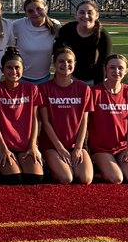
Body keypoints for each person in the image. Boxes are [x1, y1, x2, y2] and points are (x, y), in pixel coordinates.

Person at [0, 48, 45, 185]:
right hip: (2, 145)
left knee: (34, 179)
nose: (13, 71)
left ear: (23, 69)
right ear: (2, 70)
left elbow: (36, 119)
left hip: (25, 146)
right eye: (9, 68)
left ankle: (19, 161)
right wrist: (3, 149)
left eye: (17, 67)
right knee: (13, 179)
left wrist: (33, 146)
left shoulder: (31, 89)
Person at [39, 47, 94, 185]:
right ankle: (49, 166)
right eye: (61, 61)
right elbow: (45, 123)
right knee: (66, 178)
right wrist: (60, 149)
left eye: (69, 61)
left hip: (76, 144)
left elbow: (84, 121)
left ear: (75, 64)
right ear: (54, 64)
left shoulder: (83, 89)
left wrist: (78, 148)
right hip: (52, 145)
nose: (65, 65)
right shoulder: (44, 88)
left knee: (85, 179)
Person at [88, 54, 128, 184]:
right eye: (112, 67)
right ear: (105, 70)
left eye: (120, 68)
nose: (116, 71)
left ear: (126, 71)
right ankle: (99, 163)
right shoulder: (95, 92)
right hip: (101, 148)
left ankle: (113, 162)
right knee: (116, 178)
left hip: (122, 148)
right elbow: (85, 122)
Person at [56, 0, 111, 86]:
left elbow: (103, 64)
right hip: (69, 77)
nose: (85, 16)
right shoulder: (67, 29)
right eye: (82, 12)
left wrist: (98, 87)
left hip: (92, 80)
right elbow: (58, 55)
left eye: (90, 13)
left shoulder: (103, 35)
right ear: (76, 14)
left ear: (96, 15)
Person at [13, 0, 61, 84]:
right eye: (30, 11)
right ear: (26, 13)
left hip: (44, 78)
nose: (35, 13)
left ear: (46, 9)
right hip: (21, 77)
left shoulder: (55, 25)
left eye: (39, 9)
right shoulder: (18, 24)